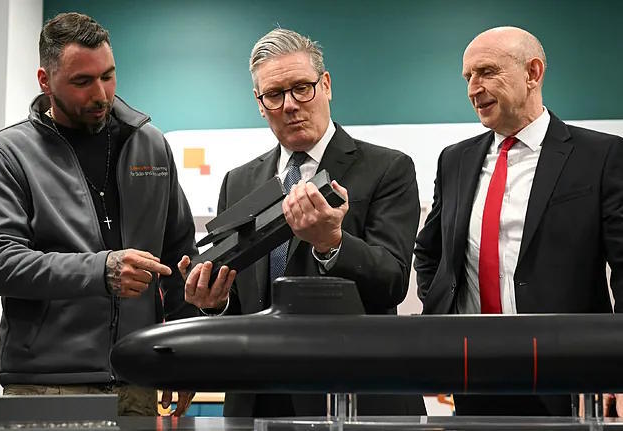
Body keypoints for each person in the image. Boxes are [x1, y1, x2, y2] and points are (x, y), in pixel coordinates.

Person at [0, 12, 234, 416]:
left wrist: (187, 358)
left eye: (108, 76)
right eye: (82, 82)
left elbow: (179, 259)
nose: (101, 94)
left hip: (138, 383)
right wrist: (102, 270)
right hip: (46, 387)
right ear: (45, 81)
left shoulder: (150, 144)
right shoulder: (7, 155)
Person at [179, 28, 425, 418]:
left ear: (325, 85)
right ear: (259, 103)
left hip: (353, 396)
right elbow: (241, 302)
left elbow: (392, 281)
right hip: (257, 399)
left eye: (302, 88)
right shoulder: (238, 182)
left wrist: (332, 243)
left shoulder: (388, 168)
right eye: (275, 95)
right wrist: (215, 303)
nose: (290, 105)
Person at [414, 26, 623, 416]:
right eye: (468, 77)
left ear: (533, 73)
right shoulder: (454, 160)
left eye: (487, 72)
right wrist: (442, 311)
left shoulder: (601, 155)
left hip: (570, 371)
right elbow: (429, 252)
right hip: (472, 370)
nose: (473, 88)